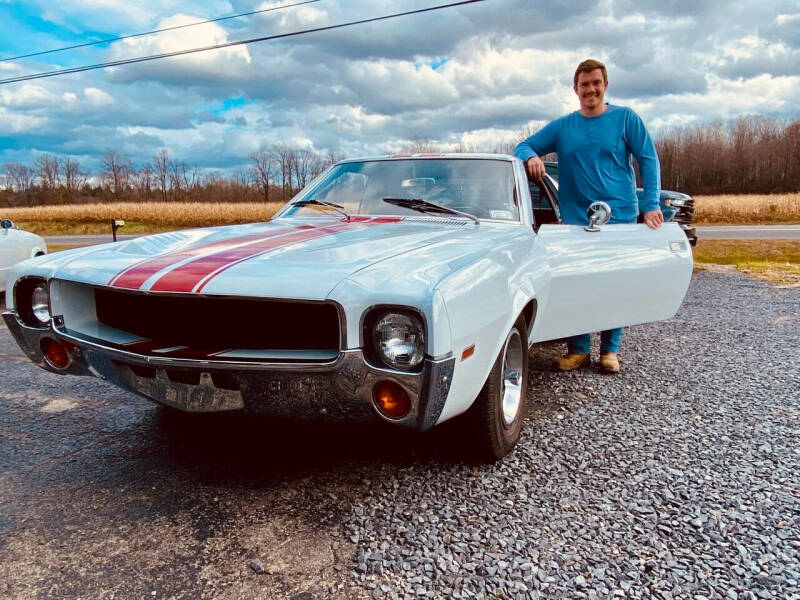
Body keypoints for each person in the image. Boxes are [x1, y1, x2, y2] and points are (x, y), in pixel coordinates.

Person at [514, 58, 663, 374]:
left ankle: (610, 351)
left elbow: (648, 160)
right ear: (575, 89)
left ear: (605, 85)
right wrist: (532, 157)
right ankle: (578, 350)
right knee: (578, 284)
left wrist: (651, 204)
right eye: (584, 84)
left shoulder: (625, 119)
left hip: (619, 215)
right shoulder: (564, 126)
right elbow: (523, 146)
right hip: (576, 220)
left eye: (596, 83)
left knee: (614, 282)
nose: (590, 90)